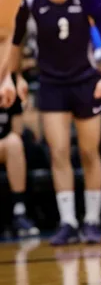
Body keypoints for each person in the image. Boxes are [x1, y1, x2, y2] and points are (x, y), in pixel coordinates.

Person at [13, 0, 101, 245]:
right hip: (52, 84)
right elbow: (13, 43)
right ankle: (68, 221)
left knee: (90, 152)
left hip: (87, 81)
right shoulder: (30, 3)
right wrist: (14, 76)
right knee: (58, 153)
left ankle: (91, 221)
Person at [0, 82, 39, 238]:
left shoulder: (9, 85)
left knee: (15, 143)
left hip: (5, 145)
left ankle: (19, 211)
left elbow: (18, 130)